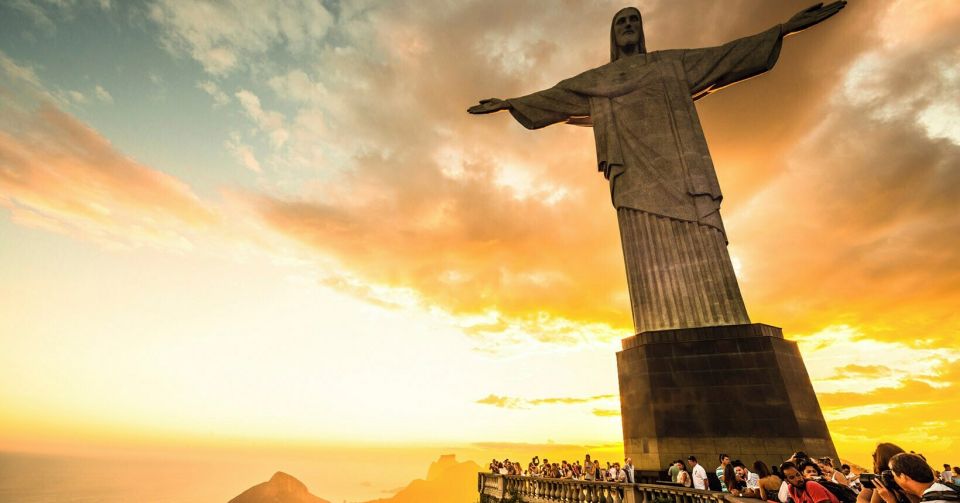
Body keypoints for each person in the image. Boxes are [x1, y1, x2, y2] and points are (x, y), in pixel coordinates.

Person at [468, 2, 847, 334]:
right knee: (648, 255)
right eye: (621, 22)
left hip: (683, 173)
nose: (629, 26)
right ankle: (661, 325)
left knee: (704, 242)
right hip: (634, 180)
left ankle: (724, 319)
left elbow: (726, 56)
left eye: (634, 20)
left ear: (641, 29)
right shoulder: (597, 80)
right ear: (614, 34)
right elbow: (557, 96)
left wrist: (785, 28)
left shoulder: (671, 63)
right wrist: (510, 103)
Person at [874, 453, 958, 503]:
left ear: (903, 477)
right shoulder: (946, 489)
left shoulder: (933, 500)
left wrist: (890, 501)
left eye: (893, 475)